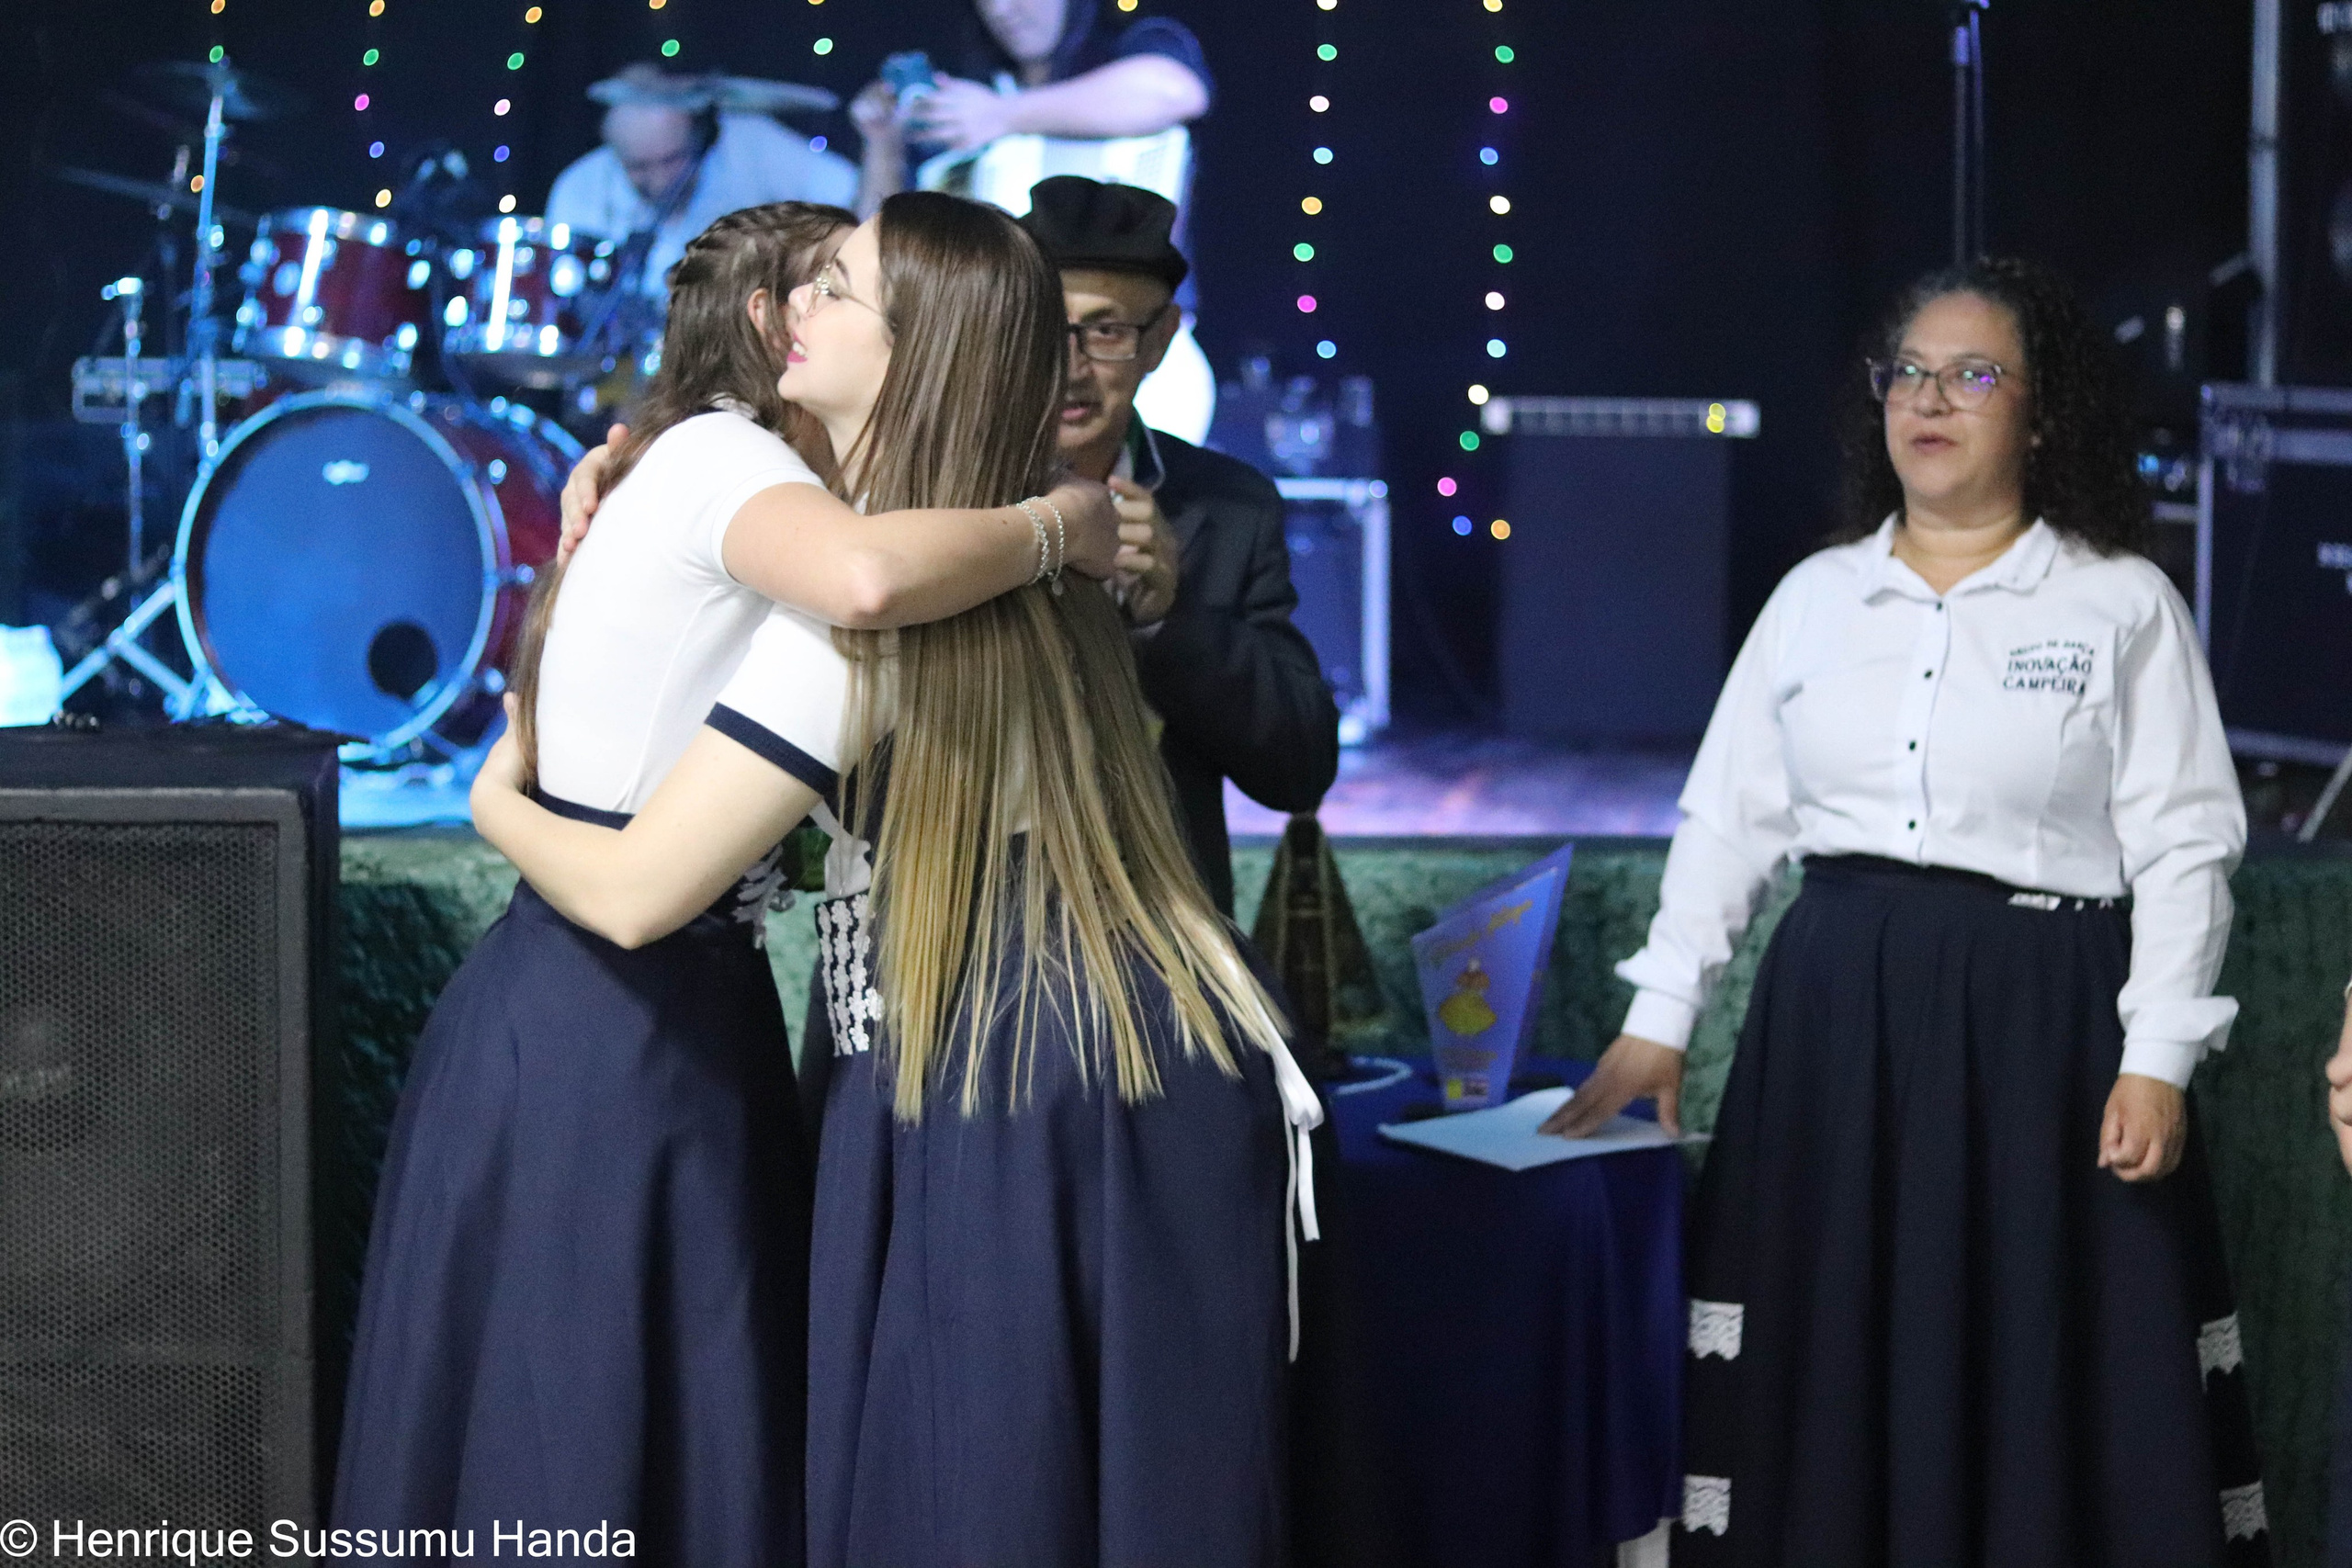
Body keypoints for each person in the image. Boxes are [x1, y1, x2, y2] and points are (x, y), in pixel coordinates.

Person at [468, 190, 1322, 1568]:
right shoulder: (910, 538)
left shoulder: (903, 588)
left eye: (839, 290)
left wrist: (491, 800)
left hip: (1029, 1071)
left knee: (981, 1487)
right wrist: (620, 489)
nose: (792, 309)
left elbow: (643, 881)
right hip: (975, 1045)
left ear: (922, 344)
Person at [332, 200, 1119, 1564]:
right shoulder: (745, 486)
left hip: (635, 1012)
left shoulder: (707, 471)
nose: (807, 309)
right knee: (588, 1452)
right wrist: (1066, 515)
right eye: (804, 287)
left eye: (841, 290)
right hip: (616, 1027)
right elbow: (865, 580)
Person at [1549, 257, 2267, 1564]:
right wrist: (1660, 1020)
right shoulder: (1817, 597)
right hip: (1840, 1017)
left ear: (2041, 417)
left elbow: (2185, 841)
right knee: (1835, 1347)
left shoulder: (2118, 601)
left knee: (2037, 1351)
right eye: (1909, 373)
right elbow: (1728, 822)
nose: (1931, 398)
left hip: (2042, 1027)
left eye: (1975, 374)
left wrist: (2157, 1057)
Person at [1021, 175, 1339, 915]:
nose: (1070, 367)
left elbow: (1300, 769)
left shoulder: (1226, 505)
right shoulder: (941, 486)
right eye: (1044, 330)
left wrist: (1171, 618)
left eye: (1106, 332)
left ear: (1159, 341)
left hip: (1158, 938)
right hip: (957, 941)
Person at [853, 0, 1218, 439]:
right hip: (998, 376)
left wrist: (1003, 115)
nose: (1004, 10)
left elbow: (1176, 92)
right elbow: (879, 253)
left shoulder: (1133, 46)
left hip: (1134, 360)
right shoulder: (970, 100)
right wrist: (883, 144)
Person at [548, 64, 857, 300]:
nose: (657, 180)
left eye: (670, 161)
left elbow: (855, 203)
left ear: (698, 139)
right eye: (638, 167)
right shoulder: (579, 187)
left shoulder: (748, 142)